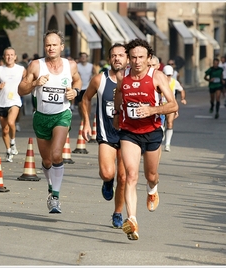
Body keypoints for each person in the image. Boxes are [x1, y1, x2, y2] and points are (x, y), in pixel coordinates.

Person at [113, 39, 178, 240]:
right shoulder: (123, 77)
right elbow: (118, 95)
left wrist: (152, 110)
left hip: (151, 132)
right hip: (129, 132)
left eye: (141, 57)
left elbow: (173, 105)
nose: (137, 61)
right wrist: (117, 114)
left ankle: (153, 189)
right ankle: (132, 219)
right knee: (131, 175)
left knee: (151, 175)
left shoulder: (157, 77)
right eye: (133, 57)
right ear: (128, 59)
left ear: (148, 58)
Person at [18, 29, 82, 214]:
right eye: (48, 45)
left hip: (62, 114)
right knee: (46, 161)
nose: (51, 48)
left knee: (56, 155)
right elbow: (21, 90)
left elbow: (78, 81)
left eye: (54, 44)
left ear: (62, 46)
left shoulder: (70, 65)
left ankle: (55, 197)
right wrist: (35, 84)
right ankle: (50, 186)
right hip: (41, 117)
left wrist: (75, 92)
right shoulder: (36, 66)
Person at [81, 43, 128, 228]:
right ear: (110, 59)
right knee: (108, 173)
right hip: (106, 133)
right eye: (114, 55)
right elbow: (85, 98)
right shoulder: (100, 80)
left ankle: (117, 212)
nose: (117, 58)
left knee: (123, 178)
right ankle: (107, 182)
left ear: (127, 58)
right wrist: (86, 122)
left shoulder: (133, 80)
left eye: (121, 55)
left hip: (127, 135)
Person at [0, 47, 25, 162]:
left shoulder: (21, 69)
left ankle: (13, 142)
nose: (9, 57)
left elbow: (27, 82)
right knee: (4, 130)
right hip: (2, 102)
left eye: (11, 55)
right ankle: (8, 151)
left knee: (11, 122)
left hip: (15, 101)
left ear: (15, 57)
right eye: (7, 55)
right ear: (4, 57)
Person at [162, 65, 186, 152]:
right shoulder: (159, 82)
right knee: (160, 125)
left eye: (169, 75)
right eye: (166, 75)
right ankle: (161, 134)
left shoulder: (174, 82)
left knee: (170, 123)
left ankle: (167, 144)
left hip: (170, 105)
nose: (168, 77)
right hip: (160, 106)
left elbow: (181, 90)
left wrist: (182, 99)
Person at [76, 52, 96, 117]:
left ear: (87, 58)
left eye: (85, 57)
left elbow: (95, 73)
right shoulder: (77, 66)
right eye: (82, 57)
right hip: (79, 87)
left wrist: (92, 76)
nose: (83, 58)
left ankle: (87, 115)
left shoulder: (91, 66)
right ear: (80, 58)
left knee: (88, 102)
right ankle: (82, 116)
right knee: (80, 104)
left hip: (88, 87)